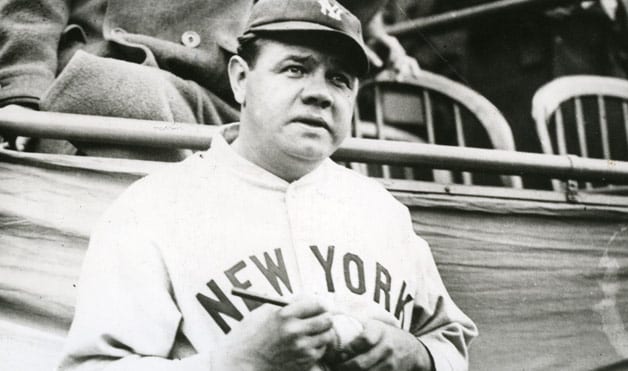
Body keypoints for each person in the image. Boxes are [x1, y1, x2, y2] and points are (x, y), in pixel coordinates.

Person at [57, 0, 477, 370]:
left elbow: (449, 341)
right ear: (240, 79)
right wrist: (229, 364)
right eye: (296, 68)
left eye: (340, 80)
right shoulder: (152, 207)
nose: (320, 94)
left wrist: (419, 355)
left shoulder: (383, 211)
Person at [0, 0, 419, 160]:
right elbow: (31, 10)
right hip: (101, 79)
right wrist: (22, 93)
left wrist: (377, 32)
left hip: (219, 95)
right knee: (116, 95)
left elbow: (323, 12)